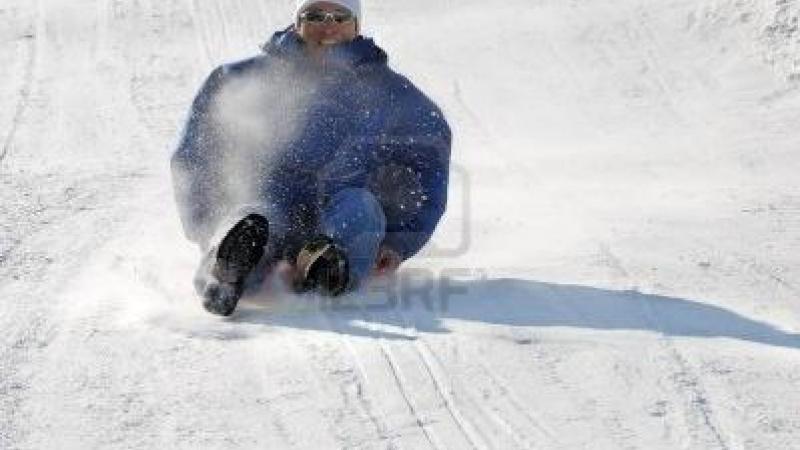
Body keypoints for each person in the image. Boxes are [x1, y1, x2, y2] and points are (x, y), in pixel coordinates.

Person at [171, 0, 452, 316]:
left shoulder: (391, 93)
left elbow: (428, 168)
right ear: (297, 23)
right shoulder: (242, 79)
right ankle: (226, 273)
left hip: (341, 207)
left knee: (360, 209)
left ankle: (328, 266)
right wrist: (205, 224)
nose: (327, 26)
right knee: (251, 218)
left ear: (356, 25)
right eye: (314, 15)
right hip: (270, 203)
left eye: (339, 16)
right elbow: (194, 157)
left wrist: (399, 243)